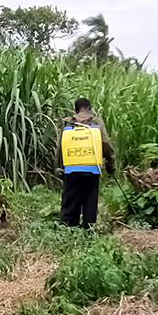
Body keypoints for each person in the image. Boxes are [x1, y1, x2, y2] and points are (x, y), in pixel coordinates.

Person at [55, 97, 115, 228]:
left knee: (70, 200)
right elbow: (106, 144)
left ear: (75, 110)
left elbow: (60, 147)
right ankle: (89, 229)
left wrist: (59, 167)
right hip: (92, 168)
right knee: (90, 200)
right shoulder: (96, 122)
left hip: (71, 169)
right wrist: (111, 167)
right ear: (90, 108)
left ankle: (67, 227)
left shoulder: (68, 123)